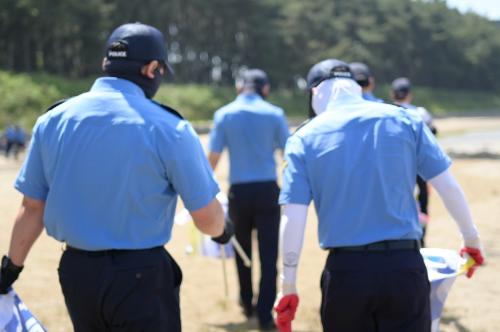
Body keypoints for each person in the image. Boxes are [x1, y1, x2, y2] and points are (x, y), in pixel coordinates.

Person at [0, 22, 233, 332]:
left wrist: (10, 269)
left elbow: (32, 208)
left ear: (105, 64)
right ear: (152, 69)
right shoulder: (169, 128)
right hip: (141, 274)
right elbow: (206, 216)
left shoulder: (52, 121)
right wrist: (223, 232)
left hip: (77, 272)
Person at [273, 59, 485, 332]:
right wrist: (471, 240)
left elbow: (292, 217)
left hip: (346, 273)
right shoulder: (406, 119)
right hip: (404, 267)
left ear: (314, 92)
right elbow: (448, 187)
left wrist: (287, 284)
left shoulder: (303, 138)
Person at [208, 68, 289, 329]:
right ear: (264, 89)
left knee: (243, 252)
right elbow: (288, 155)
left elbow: (214, 157)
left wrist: (206, 189)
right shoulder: (275, 113)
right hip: (268, 191)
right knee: (268, 255)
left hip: (239, 192)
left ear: (239, 87)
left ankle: (245, 302)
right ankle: (265, 313)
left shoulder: (224, 114)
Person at [391, 77, 438, 246]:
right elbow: (433, 134)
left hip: (394, 167)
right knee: (422, 201)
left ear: (392, 94)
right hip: (419, 166)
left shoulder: (385, 111)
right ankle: (421, 239)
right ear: (409, 95)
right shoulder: (421, 113)